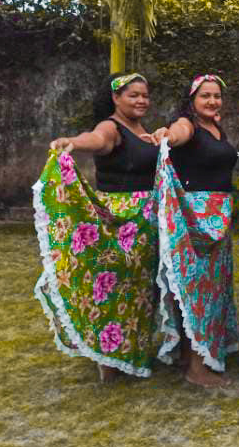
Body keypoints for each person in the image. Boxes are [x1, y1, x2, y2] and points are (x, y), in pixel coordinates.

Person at [34, 72, 160, 382]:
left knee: (139, 290)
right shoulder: (111, 127)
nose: (141, 100)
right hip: (119, 222)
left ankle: (131, 353)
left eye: (145, 95)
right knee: (113, 287)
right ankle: (108, 359)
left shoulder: (142, 129)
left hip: (145, 223)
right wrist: (73, 143)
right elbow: (97, 140)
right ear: (116, 98)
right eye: (133, 95)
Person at [151, 73, 239, 388]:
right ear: (192, 100)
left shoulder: (216, 128)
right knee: (196, 291)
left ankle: (192, 356)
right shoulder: (188, 125)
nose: (212, 101)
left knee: (212, 292)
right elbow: (177, 134)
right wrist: (167, 135)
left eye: (217, 96)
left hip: (220, 219)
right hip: (195, 221)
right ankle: (197, 369)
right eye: (205, 96)